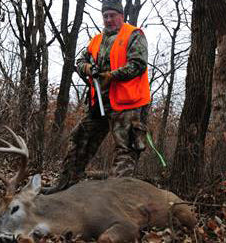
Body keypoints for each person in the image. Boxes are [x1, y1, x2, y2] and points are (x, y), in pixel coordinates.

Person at [43, 0, 150, 194]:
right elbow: (80, 60)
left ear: (121, 15)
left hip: (126, 105)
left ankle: (116, 196)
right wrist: (86, 67)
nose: (108, 19)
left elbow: (138, 64)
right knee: (80, 139)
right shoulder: (96, 40)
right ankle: (64, 186)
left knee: (125, 150)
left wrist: (112, 76)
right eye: (105, 16)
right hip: (98, 103)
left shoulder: (134, 34)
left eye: (112, 15)